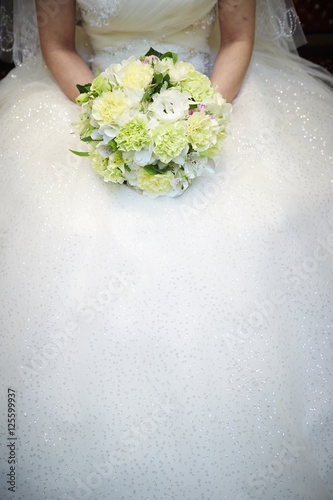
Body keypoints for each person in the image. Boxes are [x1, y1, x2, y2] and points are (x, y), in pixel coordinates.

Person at [0, 0, 332, 499]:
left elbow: (238, 39)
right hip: (93, 94)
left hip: (215, 90)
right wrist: (116, 123)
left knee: (262, 223)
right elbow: (58, 46)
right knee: (67, 233)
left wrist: (193, 125)